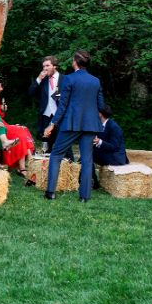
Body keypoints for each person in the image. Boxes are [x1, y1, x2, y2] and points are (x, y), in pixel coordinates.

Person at [44, 50, 105, 202]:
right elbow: (101, 105)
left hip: (71, 123)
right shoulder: (95, 81)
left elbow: (62, 106)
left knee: (56, 154)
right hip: (90, 125)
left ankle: (50, 192)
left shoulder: (69, 79)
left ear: (76, 62)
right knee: (86, 160)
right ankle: (84, 197)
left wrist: (52, 124)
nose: (72, 62)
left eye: (72, 60)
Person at [0, 78, 36, 180]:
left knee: (23, 129)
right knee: (20, 130)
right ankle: (28, 164)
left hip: (1, 125)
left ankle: (26, 165)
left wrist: (2, 111)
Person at [28, 55, 72, 159]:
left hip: (61, 117)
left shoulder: (65, 79)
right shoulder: (42, 80)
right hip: (46, 116)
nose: (45, 68)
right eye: (43, 66)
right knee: (47, 147)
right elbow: (30, 93)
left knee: (65, 146)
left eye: (47, 65)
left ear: (55, 66)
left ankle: (71, 169)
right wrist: (38, 79)